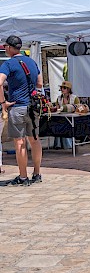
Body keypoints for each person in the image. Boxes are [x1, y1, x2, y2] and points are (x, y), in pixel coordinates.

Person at [0, 35, 43, 186]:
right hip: (32, 106)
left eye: (5, 46)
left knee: (20, 142)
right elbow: (39, 83)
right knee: (35, 140)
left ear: (10, 48)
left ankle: (23, 177)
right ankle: (37, 173)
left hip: (17, 107)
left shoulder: (8, 64)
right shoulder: (31, 62)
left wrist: (3, 102)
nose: (5, 49)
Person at [53, 80, 80, 150]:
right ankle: (58, 144)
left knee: (65, 125)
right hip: (61, 117)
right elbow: (57, 107)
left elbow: (78, 108)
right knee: (56, 124)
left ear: (68, 89)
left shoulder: (74, 98)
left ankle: (68, 145)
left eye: (64, 88)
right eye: (62, 88)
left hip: (72, 118)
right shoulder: (59, 98)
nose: (62, 89)